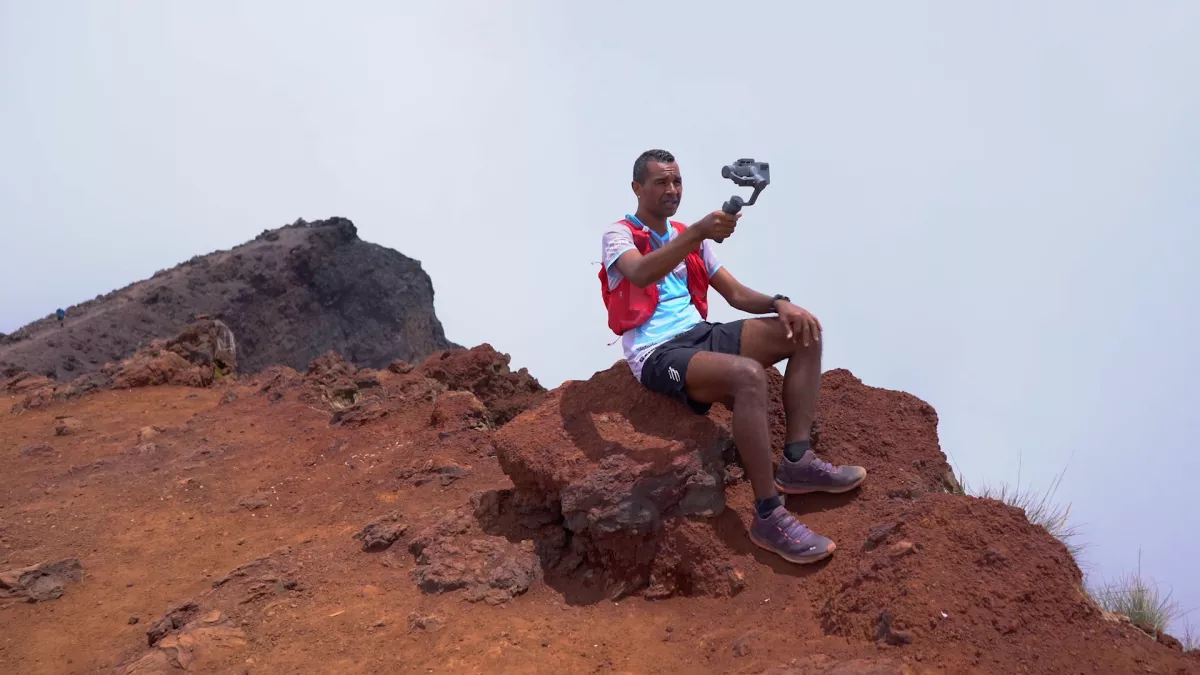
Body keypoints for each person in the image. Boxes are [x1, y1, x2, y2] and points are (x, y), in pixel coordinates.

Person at [598, 149, 868, 564]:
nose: (672, 190)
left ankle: (796, 461)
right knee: (746, 376)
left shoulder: (692, 236)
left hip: (701, 334)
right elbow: (640, 273)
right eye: (661, 182)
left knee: (804, 332)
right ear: (637, 188)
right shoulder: (619, 234)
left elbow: (736, 294)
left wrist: (780, 304)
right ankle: (768, 514)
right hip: (658, 352)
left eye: (677, 181)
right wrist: (696, 234)